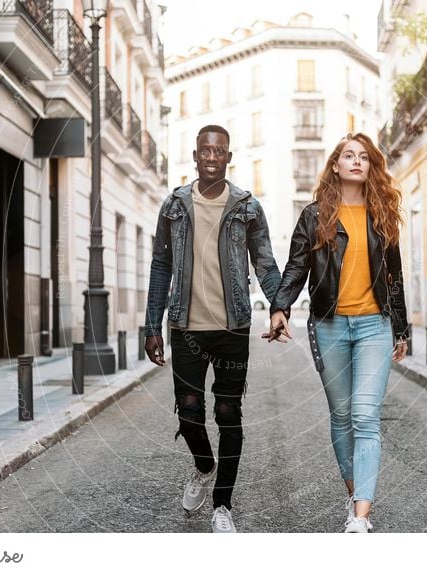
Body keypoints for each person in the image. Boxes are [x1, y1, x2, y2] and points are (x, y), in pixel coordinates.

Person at [265, 132, 409, 533]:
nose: (357, 162)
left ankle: (361, 517)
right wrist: (280, 308)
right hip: (329, 325)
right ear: (335, 165)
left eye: (364, 156)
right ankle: (354, 494)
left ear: (371, 166)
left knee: (365, 415)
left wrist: (401, 327)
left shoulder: (382, 215)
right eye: (349, 156)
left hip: (373, 327)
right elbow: (295, 267)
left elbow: (394, 277)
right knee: (342, 416)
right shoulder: (314, 216)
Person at [144, 125, 281, 533]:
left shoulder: (247, 207)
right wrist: (152, 324)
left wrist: (279, 306)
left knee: (228, 412)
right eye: (206, 149)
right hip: (185, 325)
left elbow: (265, 263)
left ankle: (223, 505)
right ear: (195, 155)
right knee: (189, 415)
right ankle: (205, 467)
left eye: (219, 150)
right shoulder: (173, 206)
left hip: (232, 327)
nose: (212, 156)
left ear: (228, 157)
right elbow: (160, 265)